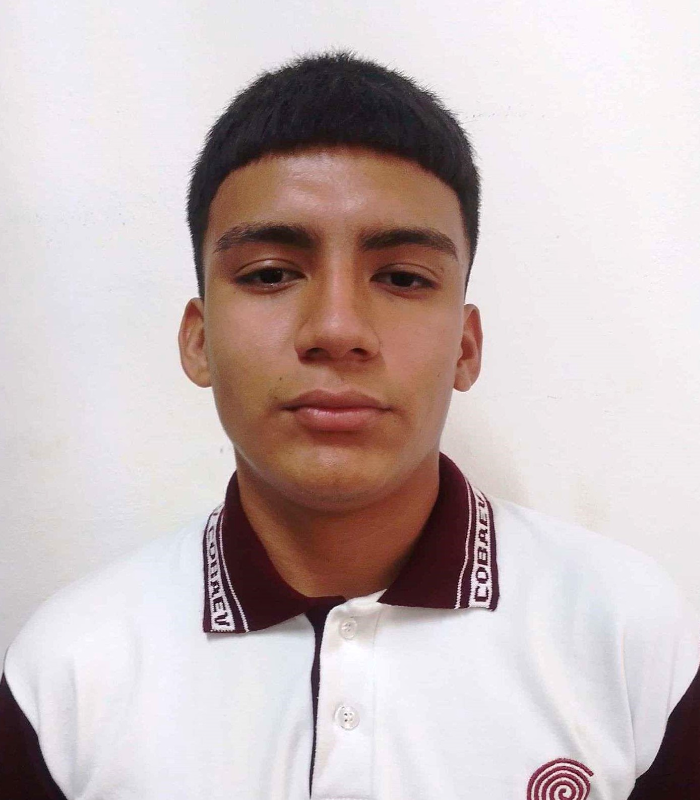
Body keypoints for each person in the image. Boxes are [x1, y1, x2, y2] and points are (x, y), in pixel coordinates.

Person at [1, 50, 698, 800]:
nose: (337, 329)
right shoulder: (66, 675)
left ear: (466, 349)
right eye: (270, 274)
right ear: (198, 341)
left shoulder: (628, 635)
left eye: (402, 277)